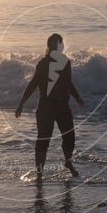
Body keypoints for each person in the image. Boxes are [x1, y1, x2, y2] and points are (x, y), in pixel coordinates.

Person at [15, 33, 84, 181]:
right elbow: (33, 84)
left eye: (59, 44)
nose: (59, 47)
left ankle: (68, 162)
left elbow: (68, 82)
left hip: (63, 106)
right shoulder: (43, 64)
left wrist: (77, 97)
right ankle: (39, 173)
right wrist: (22, 103)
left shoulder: (65, 62)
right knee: (43, 139)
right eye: (57, 44)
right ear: (51, 46)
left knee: (69, 137)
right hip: (46, 106)